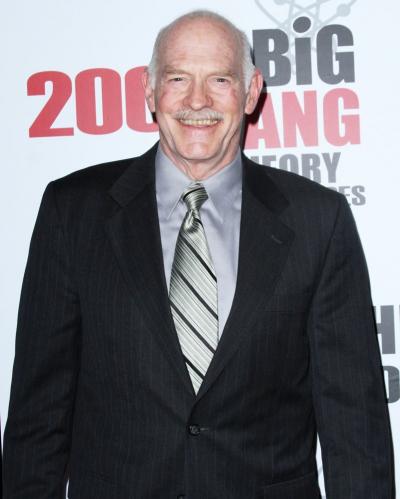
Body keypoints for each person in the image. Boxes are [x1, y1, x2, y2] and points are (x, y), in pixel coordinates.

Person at [3, 9, 393, 499]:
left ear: (251, 93)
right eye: (178, 78)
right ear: (149, 90)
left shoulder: (319, 220)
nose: (197, 100)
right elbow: (38, 416)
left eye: (220, 79)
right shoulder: (73, 212)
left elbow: (355, 425)